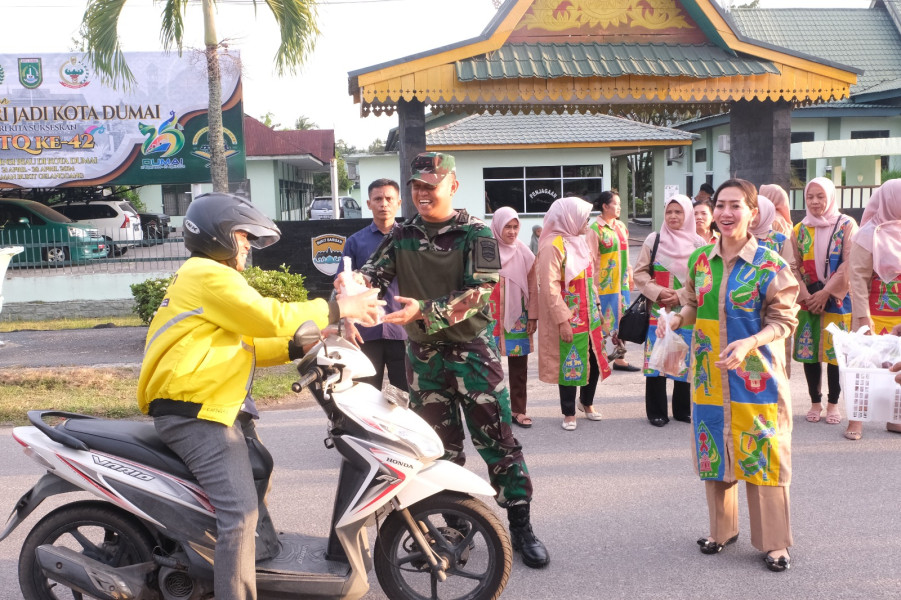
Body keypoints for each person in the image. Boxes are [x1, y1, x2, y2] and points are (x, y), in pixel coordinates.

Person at [138, 193, 382, 600]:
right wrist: (336, 308)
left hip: (212, 405)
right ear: (218, 234)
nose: (248, 245)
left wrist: (301, 346)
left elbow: (247, 343)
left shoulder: (205, 277)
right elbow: (267, 316)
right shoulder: (208, 274)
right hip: (196, 412)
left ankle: (259, 559)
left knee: (258, 468)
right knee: (239, 515)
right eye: (243, 235)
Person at [339, 152, 550, 569]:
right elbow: (374, 274)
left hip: (474, 356)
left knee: (500, 445)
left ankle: (521, 526)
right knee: (439, 451)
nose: (421, 193)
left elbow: (480, 293)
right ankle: (456, 531)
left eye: (429, 186)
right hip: (424, 361)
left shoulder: (475, 234)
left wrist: (424, 310)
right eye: (416, 186)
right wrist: (351, 286)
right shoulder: (402, 235)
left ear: (452, 185)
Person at [663, 179, 799, 572]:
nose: (725, 213)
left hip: (756, 376)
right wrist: (676, 318)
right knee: (715, 449)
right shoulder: (700, 260)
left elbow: (784, 320)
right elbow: (692, 303)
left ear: (753, 212)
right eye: (719, 205)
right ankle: (722, 531)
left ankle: (774, 543)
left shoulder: (770, 264)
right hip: (709, 375)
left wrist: (749, 343)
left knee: (764, 451)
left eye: (735, 206)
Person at [536, 196, 611, 431]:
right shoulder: (552, 246)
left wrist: (598, 306)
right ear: (569, 218)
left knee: (595, 359)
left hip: (590, 314)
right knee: (570, 361)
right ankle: (568, 412)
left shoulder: (580, 241)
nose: (587, 222)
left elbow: (591, 280)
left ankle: (586, 402)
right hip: (570, 315)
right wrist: (563, 320)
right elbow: (549, 287)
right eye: (584, 217)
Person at [790, 177, 859, 426]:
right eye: (810, 197)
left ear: (830, 197)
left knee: (835, 355)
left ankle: (833, 404)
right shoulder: (799, 229)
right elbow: (792, 266)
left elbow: (850, 263)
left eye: (820, 196)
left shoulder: (847, 225)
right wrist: (807, 295)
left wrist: (826, 292)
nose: (815, 201)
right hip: (808, 300)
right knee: (810, 353)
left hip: (837, 300)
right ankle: (814, 402)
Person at [633, 194, 703, 427]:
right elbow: (640, 273)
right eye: (669, 212)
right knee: (657, 359)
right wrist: (658, 292)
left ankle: (682, 410)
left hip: (686, 312)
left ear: (688, 215)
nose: (673, 216)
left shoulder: (698, 244)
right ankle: (656, 412)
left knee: (682, 355)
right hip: (658, 311)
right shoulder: (654, 240)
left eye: (679, 212)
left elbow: (703, 279)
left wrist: (681, 295)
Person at [338, 178, 407, 391]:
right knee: (366, 394)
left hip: (402, 329)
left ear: (399, 202)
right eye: (378, 199)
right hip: (366, 331)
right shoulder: (355, 242)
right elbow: (343, 286)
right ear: (368, 204)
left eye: (389, 198)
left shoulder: (410, 240)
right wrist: (348, 325)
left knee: (406, 394)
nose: (383, 204)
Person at [845, 179, 901, 440]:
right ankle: (856, 420)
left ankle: (894, 416)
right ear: (890, 199)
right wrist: (862, 317)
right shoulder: (868, 234)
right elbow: (857, 278)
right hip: (871, 311)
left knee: (895, 365)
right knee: (862, 365)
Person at [489, 207, 538, 428]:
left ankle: (518, 410)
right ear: (498, 227)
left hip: (519, 315)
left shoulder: (525, 252)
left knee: (519, 367)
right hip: (490, 315)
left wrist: (533, 316)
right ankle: (493, 412)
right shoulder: (487, 250)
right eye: (507, 227)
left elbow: (533, 287)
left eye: (515, 226)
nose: (511, 232)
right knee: (489, 367)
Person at [588, 189, 640, 371]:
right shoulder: (595, 230)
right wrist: (592, 287)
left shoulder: (620, 227)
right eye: (615, 204)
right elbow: (591, 260)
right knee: (604, 321)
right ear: (605, 206)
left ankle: (620, 358)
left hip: (621, 284)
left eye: (619, 204)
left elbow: (624, 254)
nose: (619, 207)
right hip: (603, 286)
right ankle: (597, 358)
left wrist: (630, 273)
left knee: (623, 320)